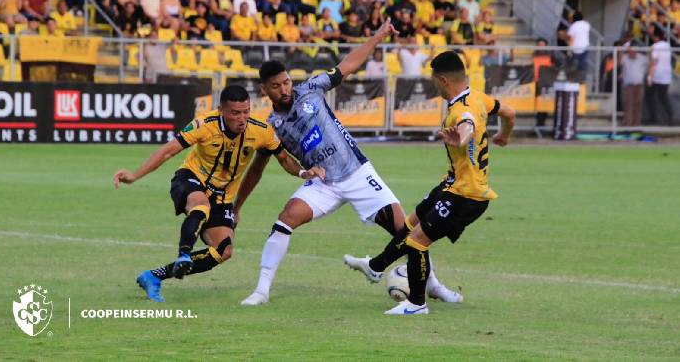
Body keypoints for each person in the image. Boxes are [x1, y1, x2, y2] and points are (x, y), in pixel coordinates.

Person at [240, 19, 461, 306]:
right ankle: (262, 290)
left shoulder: (311, 89)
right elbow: (275, 163)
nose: (284, 89)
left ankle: (434, 285)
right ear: (263, 90)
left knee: (406, 231)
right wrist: (301, 173)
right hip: (322, 183)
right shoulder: (271, 126)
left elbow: (349, 63)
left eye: (286, 82)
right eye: (276, 86)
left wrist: (379, 35)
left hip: (356, 172)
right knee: (285, 220)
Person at [113, 85, 325, 302]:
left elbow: (283, 158)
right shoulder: (204, 124)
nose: (242, 118)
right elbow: (167, 151)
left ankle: (153, 277)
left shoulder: (261, 131)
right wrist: (134, 175)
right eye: (235, 113)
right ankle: (184, 253)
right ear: (221, 110)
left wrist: (302, 172)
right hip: (189, 179)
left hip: (222, 197)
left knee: (223, 250)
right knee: (201, 206)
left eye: (246, 111)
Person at [344, 50, 516, 314]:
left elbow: (467, 125)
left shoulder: (462, 109)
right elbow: (509, 111)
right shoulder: (478, 97)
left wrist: (461, 138)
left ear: (443, 79)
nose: (433, 84)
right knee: (410, 222)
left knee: (417, 241)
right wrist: (503, 134)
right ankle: (376, 267)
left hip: (467, 196)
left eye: (434, 79)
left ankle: (416, 304)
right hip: (452, 184)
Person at [646, 32, 674, 125]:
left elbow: (653, 62)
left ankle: (653, 118)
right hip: (666, 76)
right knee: (663, 98)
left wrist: (649, 76)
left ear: (656, 37)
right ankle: (670, 117)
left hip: (656, 76)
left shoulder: (655, 46)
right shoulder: (667, 45)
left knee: (650, 97)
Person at [620, 43, 647, 127]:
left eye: (633, 51)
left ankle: (636, 124)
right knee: (628, 104)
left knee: (638, 104)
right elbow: (619, 61)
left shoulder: (643, 58)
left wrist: (647, 76)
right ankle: (627, 123)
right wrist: (623, 48)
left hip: (639, 84)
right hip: (628, 85)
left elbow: (651, 64)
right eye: (630, 51)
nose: (631, 53)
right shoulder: (625, 57)